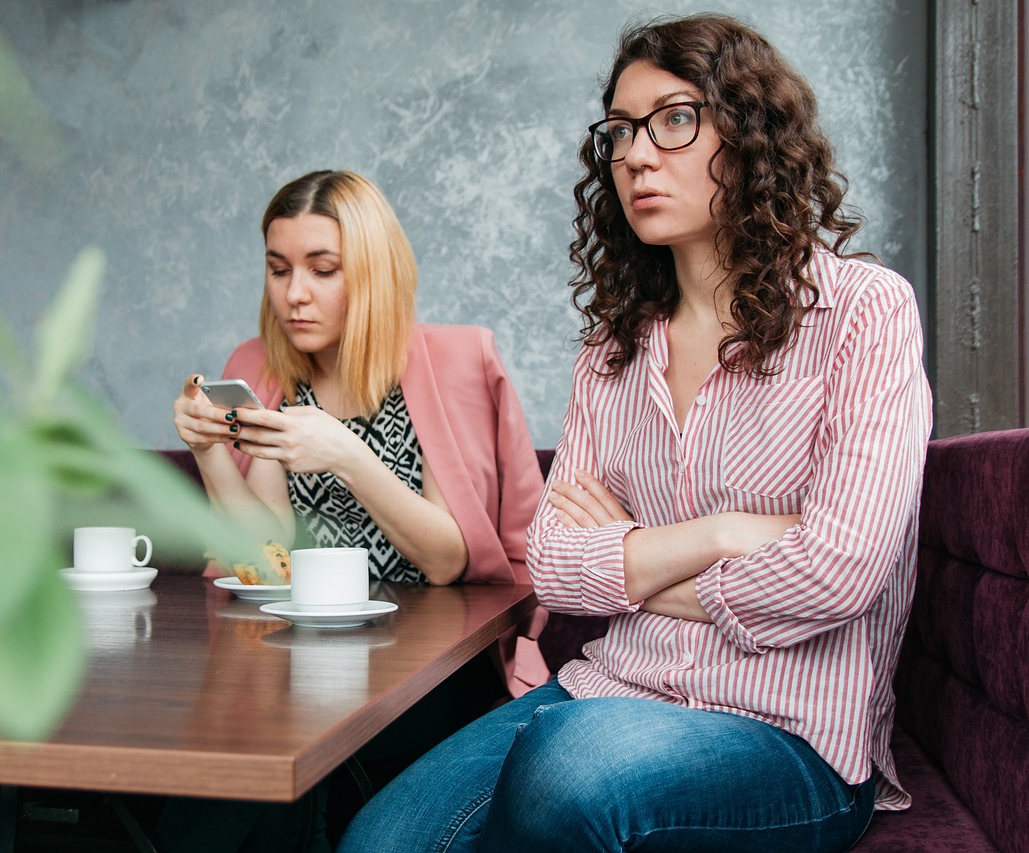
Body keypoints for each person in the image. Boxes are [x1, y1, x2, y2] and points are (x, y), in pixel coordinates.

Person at [338, 13, 932, 853]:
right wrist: (722, 534)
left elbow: (839, 572)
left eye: (674, 120)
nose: (638, 155)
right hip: (612, 686)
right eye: (620, 131)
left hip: (792, 735)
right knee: (378, 840)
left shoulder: (863, 312)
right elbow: (554, 564)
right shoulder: (612, 349)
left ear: (751, 135)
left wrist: (633, 561)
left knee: (570, 769)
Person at [172, 169, 549, 697]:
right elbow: (265, 554)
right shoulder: (259, 366)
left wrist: (347, 456)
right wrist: (207, 449)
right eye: (278, 270)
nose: (294, 294)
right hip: (295, 655)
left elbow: (446, 562)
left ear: (375, 274)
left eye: (323, 270)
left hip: (434, 661)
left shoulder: (456, 362)